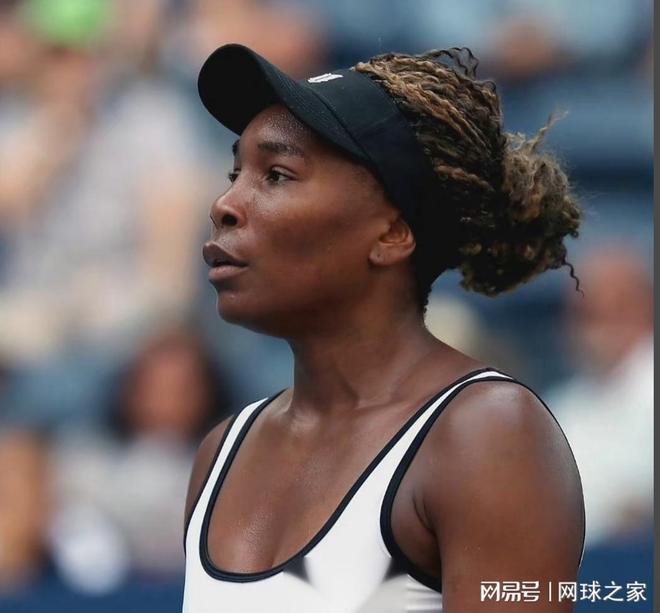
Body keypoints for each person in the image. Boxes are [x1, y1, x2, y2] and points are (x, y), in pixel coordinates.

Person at [183, 44, 585, 612]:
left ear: (392, 233)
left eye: (276, 175)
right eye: (235, 173)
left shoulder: (488, 434)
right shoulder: (221, 451)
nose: (224, 204)